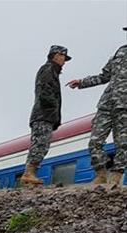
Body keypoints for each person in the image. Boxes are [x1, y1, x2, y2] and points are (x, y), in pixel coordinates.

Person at [67, 28, 127, 186]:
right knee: (95, 141)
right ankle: (100, 174)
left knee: (123, 144)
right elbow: (104, 76)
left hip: (125, 107)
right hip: (107, 104)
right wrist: (82, 82)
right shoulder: (120, 52)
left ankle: (116, 177)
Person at [23, 45, 71, 186]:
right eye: (63, 57)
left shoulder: (52, 71)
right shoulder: (48, 69)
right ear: (55, 55)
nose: (64, 61)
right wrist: (53, 107)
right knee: (40, 144)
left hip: (46, 115)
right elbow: (45, 91)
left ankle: (30, 175)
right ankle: (29, 173)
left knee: (42, 145)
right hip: (43, 115)